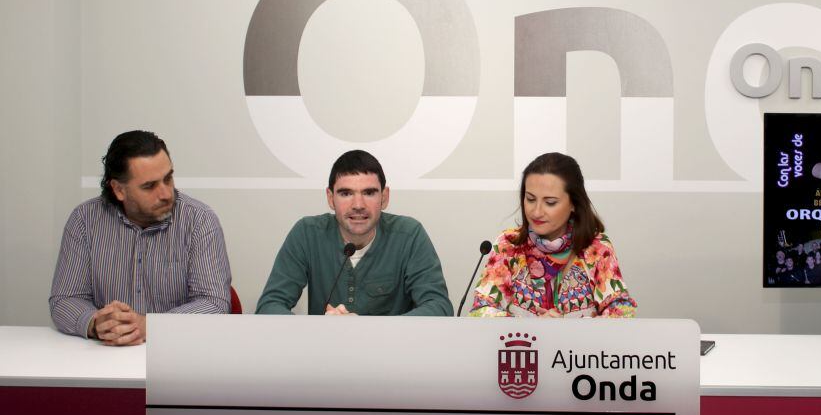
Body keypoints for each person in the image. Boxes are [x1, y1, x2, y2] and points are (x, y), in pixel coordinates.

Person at [49, 130, 232, 345]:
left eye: (168, 178)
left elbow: (214, 303)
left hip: (178, 354)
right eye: (149, 186)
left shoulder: (199, 221)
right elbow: (65, 299)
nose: (165, 193)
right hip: (105, 355)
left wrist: (148, 326)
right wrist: (99, 324)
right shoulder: (84, 220)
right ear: (118, 189)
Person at [257, 150, 452, 316]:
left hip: (392, 354)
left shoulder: (409, 234)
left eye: (369, 193)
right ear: (330, 198)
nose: (358, 205)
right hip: (324, 354)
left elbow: (439, 307)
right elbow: (269, 306)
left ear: (384, 197)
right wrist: (317, 327)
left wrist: (367, 330)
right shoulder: (307, 233)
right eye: (346, 193)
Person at [469, 152, 636, 318]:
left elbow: (623, 312)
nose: (536, 211)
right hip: (523, 344)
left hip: (577, 345)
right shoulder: (509, 244)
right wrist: (533, 328)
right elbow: (481, 310)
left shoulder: (597, 248)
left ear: (574, 204)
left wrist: (568, 330)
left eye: (550, 202)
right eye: (530, 199)